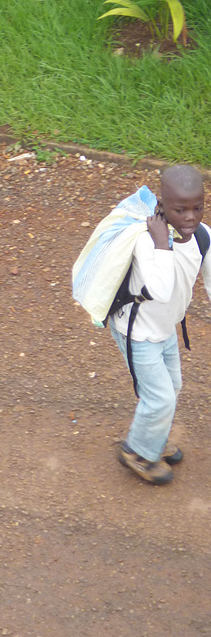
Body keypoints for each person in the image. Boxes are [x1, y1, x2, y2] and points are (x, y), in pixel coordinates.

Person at [109, 164, 210, 485]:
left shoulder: (203, 236)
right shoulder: (147, 240)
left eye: (198, 207)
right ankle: (137, 451)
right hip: (136, 332)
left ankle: (152, 438)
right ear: (162, 206)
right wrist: (162, 244)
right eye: (180, 209)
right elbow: (160, 290)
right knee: (160, 398)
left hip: (164, 328)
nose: (191, 217)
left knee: (172, 388)